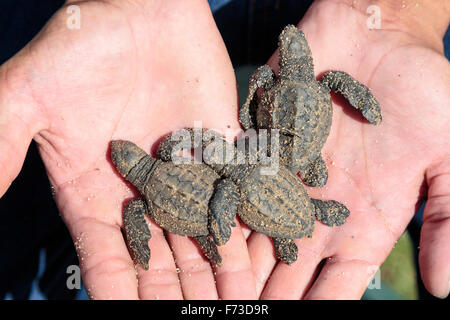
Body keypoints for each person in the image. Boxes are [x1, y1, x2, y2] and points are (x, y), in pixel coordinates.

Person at [0, 0, 448, 299]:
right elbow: (225, 179)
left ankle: (297, 220)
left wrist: (397, 14)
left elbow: (228, 169)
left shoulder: (164, 196)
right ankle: (303, 216)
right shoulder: (315, 91)